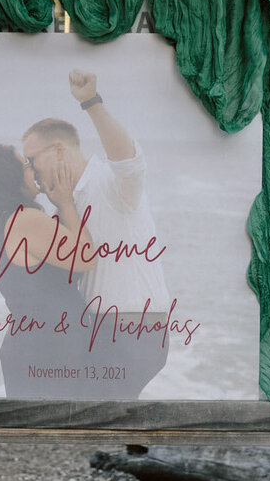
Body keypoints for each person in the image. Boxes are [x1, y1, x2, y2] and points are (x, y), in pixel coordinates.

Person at [22, 70, 172, 399]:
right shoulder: (65, 203)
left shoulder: (109, 185)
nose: (31, 172)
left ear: (58, 150)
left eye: (33, 161)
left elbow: (130, 161)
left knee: (98, 416)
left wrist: (91, 102)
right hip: (104, 331)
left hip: (133, 330)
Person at [0, 144, 87, 398]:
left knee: (40, 434)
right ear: (11, 176)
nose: (32, 168)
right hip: (50, 348)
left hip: (33, 344)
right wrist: (66, 204)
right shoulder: (24, 219)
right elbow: (84, 257)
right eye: (26, 165)